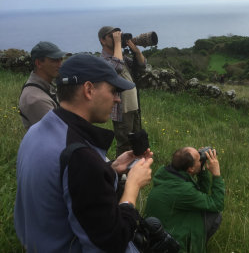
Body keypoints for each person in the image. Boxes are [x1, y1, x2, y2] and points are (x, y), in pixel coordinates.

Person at [14, 53, 153, 253]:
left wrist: (110, 170)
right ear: (88, 89)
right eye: (113, 90)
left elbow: (65, 185)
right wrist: (132, 187)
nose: (117, 100)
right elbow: (112, 242)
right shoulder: (80, 157)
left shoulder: (38, 130)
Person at [144, 147, 225, 253]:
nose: (201, 159)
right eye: (199, 160)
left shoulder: (170, 176)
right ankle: (195, 246)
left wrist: (202, 170)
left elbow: (201, 194)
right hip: (171, 244)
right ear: (190, 169)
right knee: (214, 215)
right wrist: (216, 175)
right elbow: (217, 204)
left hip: (159, 232)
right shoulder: (182, 189)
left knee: (208, 212)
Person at [98, 26, 146, 156]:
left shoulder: (121, 57)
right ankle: (122, 173)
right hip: (121, 108)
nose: (116, 37)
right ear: (102, 40)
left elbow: (142, 66)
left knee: (137, 139)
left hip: (133, 105)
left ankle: (137, 167)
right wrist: (118, 43)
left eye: (117, 35)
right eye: (112, 36)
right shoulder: (103, 60)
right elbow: (116, 68)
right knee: (124, 143)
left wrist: (136, 51)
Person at [19, 41, 66, 129]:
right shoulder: (36, 99)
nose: (60, 65)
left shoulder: (43, 87)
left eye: (61, 59)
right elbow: (60, 131)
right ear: (39, 63)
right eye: (55, 60)